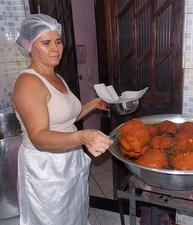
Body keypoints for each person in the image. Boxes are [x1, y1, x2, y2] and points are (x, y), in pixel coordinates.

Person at [12, 13, 114, 225]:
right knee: (52, 219)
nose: (55, 49)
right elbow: (39, 137)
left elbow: (66, 118)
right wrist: (83, 136)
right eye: (46, 43)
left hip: (69, 158)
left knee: (74, 212)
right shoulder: (28, 83)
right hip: (45, 165)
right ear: (27, 44)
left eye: (58, 41)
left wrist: (93, 104)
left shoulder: (55, 76)